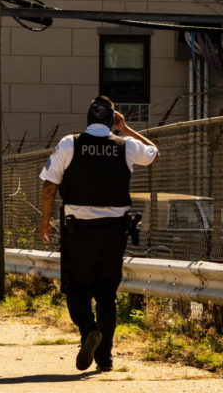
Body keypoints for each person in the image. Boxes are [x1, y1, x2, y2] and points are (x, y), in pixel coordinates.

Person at [38, 96, 159, 372]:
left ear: (88, 119)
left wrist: (46, 221)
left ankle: (88, 330)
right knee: (107, 294)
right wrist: (126, 129)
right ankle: (105, 359)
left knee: (76, 288)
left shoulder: (71, 143)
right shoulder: (125, 145)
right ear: (111, 120)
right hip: (114, 233)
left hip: (79, 232)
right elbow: (155, 152)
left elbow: (49, 186)